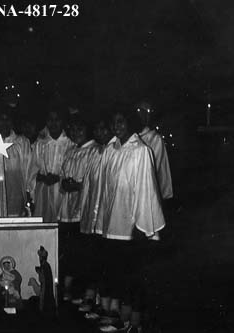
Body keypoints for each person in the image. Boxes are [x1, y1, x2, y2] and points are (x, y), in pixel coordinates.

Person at [96, 107, 165, 319]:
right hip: (111, 222)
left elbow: (146, 188)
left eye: (121, 121)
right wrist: (100, 219)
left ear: (130, 123)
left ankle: (131, 320)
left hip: (129, 224)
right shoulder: (110, 149)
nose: (117, 126)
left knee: (130, 274)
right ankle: (113, 311)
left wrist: (140, 223)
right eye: (114, 122)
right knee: (113, 270)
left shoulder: (140, 151)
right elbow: (104, 188)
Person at [57, 115, 99, 299]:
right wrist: (65, 183)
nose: (75, 133)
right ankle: (67, 288)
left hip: (83, 210)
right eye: (72, 130)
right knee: (69, 251)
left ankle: (83, 292)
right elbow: (63, 174)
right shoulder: (70, 150)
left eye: (79, 129)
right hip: (67, 210)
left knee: (83, 253)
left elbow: (94, 180)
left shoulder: (94, 151)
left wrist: (78, 185)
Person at [30, 109, 75, 221]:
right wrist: (43, 177)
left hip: (62, 193)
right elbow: (32, 170)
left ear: (62, 122)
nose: (53, 123)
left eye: (57, 120)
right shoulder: (40, 144)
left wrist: (58, 177)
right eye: (50, 120)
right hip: (43, 192)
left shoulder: (70, 144)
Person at [135, 100, 173, 200]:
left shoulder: (155, 139)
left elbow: (153, 169)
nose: (143, 116)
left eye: (147, 112)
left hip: (150, 192)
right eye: (140, 111)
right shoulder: (132, 137)